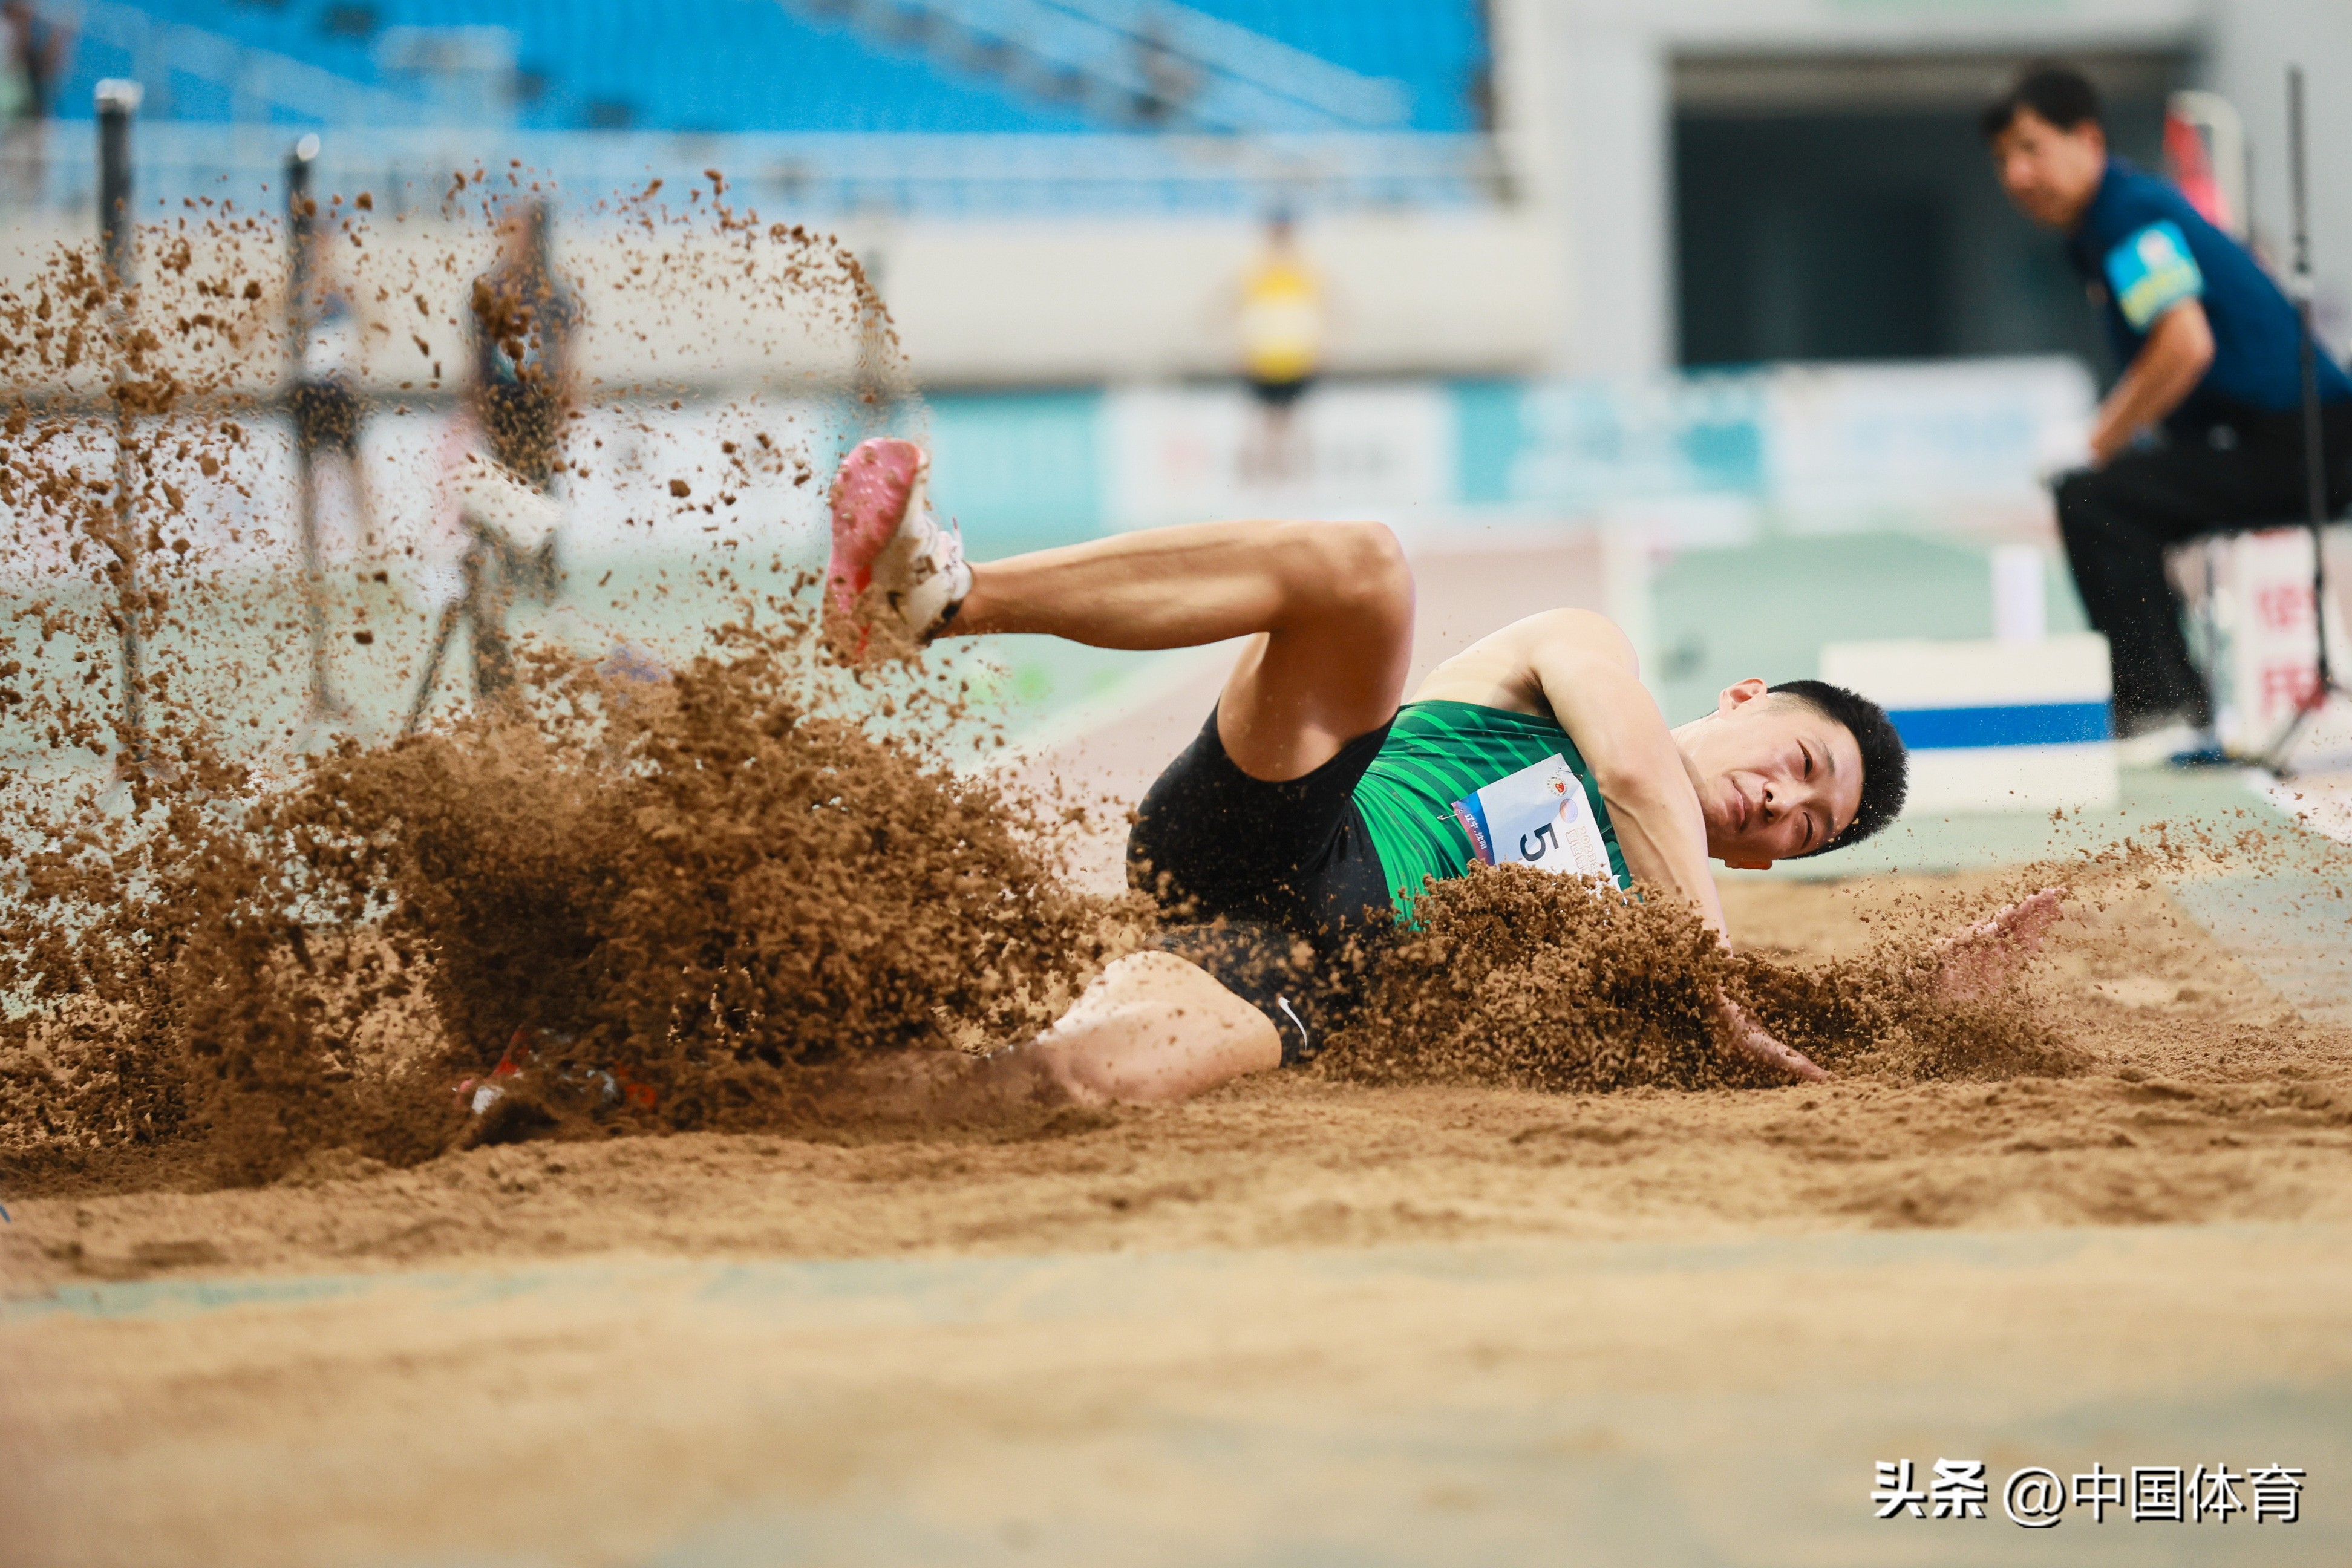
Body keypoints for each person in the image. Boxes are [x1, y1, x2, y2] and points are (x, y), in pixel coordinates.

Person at [820, 436, 2070, 1110]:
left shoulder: (1670, 937)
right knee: (1363, 564)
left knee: (1083, 1077)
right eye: (1799, 765)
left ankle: (766, 1089)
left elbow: (1800, 1039)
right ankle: (943, 600)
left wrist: (1933, 1003)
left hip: (1307, 977)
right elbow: (1633, 765)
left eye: (1806, 829)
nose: (1783, 805)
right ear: (1742, 698)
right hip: (1290, 825)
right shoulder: (1582, 655)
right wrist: (1714, 972)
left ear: (1763, 860)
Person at [1982, 65, 2352, 759]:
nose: (2018, 174)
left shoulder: (2124, 215)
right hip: (2273, 437)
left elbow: (2184, 344)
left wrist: (2096, 440)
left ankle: (2162, 709)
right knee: (2113, 495)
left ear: (2087, 139)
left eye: (2032, 149)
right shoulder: (2102, 225)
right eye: (2003, 159)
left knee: (2095, 498)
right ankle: (2168, 701)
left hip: (2306, 441)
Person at [407, 199, 580, 729]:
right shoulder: (486, 291)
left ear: (535, 236)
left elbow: (569, 357)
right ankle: (499, 583)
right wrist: (471, 411)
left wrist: (567, 412)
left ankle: (544, 585)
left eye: (515, 229)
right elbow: (473, 356)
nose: (505, 236)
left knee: (542, 496)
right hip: (498, 412)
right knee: (492, 504)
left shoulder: (557, 295)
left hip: (541, 411)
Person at [287, 212, 381, 718]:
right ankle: (311, 556)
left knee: (356, 477)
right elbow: (257, 329)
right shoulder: (293, 290)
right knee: (308, 485)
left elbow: (367, 328)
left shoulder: (342, 288)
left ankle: (372, 557)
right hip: (307, 392)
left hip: (341, 391)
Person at [1236, 209, 1324, 482]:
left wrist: (1321, 347)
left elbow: (1323, 312)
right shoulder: (1256, 271)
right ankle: (1260, 484)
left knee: (1293, 426)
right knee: (1263, 427)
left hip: (1296, 359)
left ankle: (1294, 484)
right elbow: (1233, 309)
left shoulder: (1305, 271)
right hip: (1263, 359)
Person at [0, 1, 69, 206]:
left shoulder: (32, 39)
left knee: (32, 185)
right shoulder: (9, 36)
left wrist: (61, 36)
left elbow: (46, 70)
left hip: (32, 121)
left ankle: (27, 220)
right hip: (12, 124)